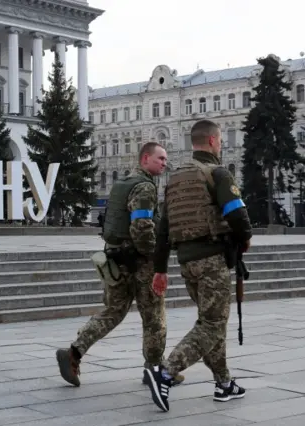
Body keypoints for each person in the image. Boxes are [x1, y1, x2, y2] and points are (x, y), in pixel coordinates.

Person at [144, 119, 253, 412]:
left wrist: (160, 269)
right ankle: (164, 372)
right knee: (213, 324)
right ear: (214, 142)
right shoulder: (216, 173)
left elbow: (163, 229)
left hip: (186, 262)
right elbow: (237, 215)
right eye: (221, 142)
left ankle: (224, 383)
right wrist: (245, 240)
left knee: (210, 322)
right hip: (212, 259)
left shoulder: (176, 179)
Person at [56, 142, 184, 387]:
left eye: (165, 159)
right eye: (160, 158)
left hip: (115, 258)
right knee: (154, 316)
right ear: (145, 159)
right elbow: (142, 226)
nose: (164, 163)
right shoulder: (145, 187)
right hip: (139, 261)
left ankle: (74, 352)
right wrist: (154, 258)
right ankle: (154, 370)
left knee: (112, 312)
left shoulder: (122, 184)